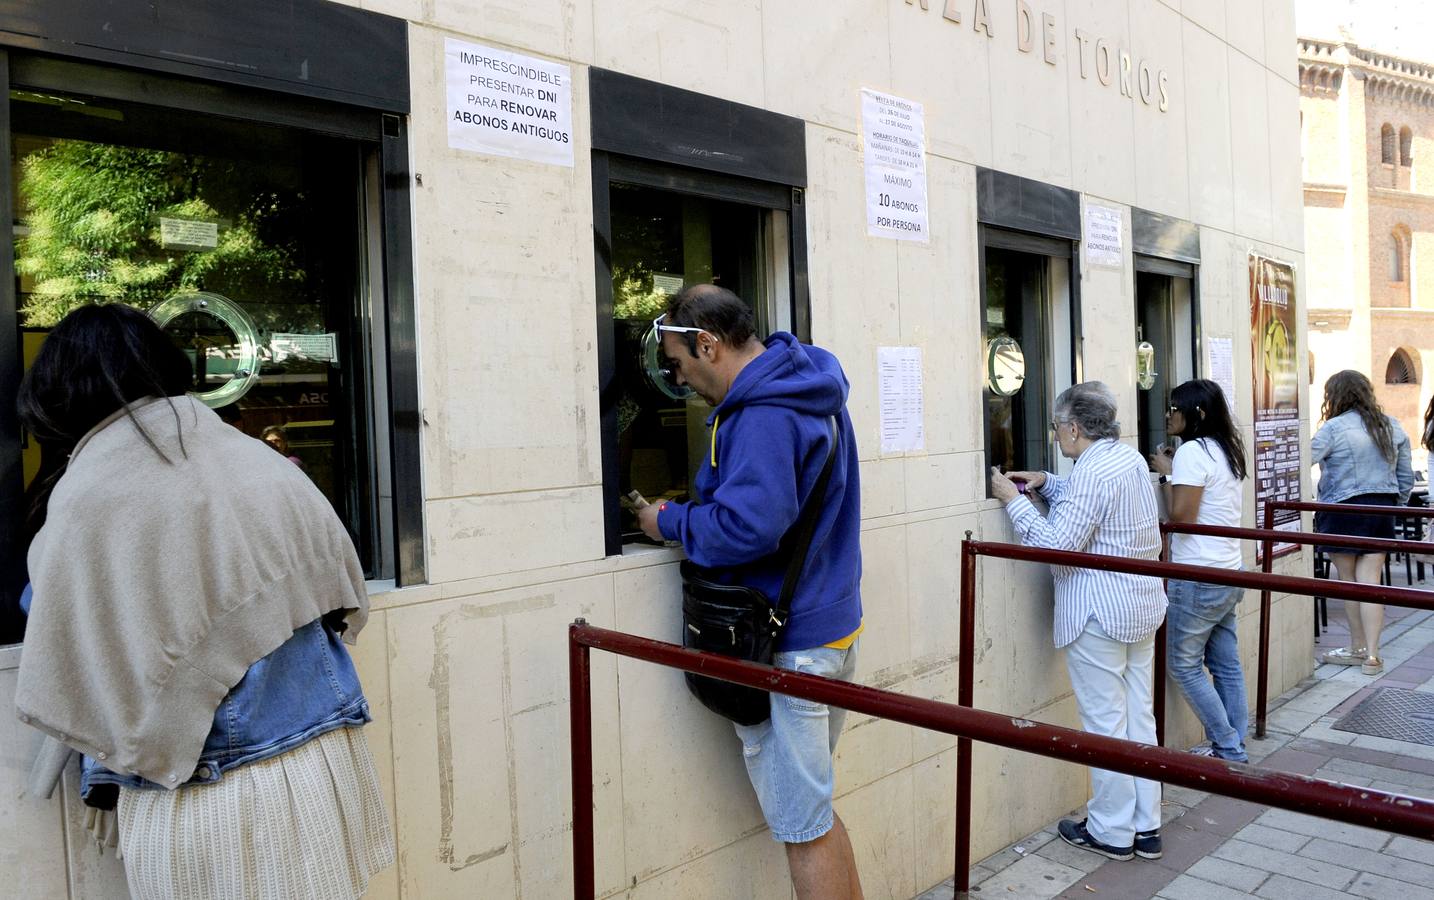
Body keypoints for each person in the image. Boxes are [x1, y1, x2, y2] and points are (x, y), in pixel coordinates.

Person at [15, 304, 394, 898]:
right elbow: (336, 599)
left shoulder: (90, 493)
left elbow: (63, 620)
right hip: (324, 759)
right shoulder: (256, 458)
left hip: (210, 794)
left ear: (61, 395)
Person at [634, 284, 864, 900]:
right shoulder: (806, 381)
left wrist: (669, 523)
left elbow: (750, 527)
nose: (682, 383)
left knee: (802, 828)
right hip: (828, 625)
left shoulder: (761, 413)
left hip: (788, 643)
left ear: (707, 344)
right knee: (814, 812)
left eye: (681, 368)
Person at [990, 382, 1166, 862]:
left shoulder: (1092, 471)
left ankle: (1111, 831)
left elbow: (1056, 546)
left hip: (1098, 612)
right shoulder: (1126, 459)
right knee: (1138, 717)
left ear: (1071, 427)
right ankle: (1145, 824)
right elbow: (1095, 503)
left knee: (1105, 725)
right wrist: (1048, 482)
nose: (1054, 435)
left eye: (1055, 427)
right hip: (1141, 606)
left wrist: (1013, 498)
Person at [1148, 379, 1250, 762]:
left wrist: (1169, 474)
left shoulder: (1192, 452)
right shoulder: (1226, 449)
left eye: (1175, 408)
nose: (1169, 415)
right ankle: (1234, 743)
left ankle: (1226, 744)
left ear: (1198, 414)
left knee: (1182, 665)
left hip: (1197, 575)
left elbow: (1182, 517)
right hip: (1227, 569)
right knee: (1225, 663)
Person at [1311, 370, 1414, 675]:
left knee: (1348, 582)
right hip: (1381, 510)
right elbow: (1405, 478)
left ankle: (1356, 647)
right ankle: (1372, 655)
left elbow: (1305, 458)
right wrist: (1396, 504)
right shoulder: (1391, 425)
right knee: (1370, 582)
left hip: (1343, 509)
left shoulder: (1333, 428)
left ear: (1335, 396)